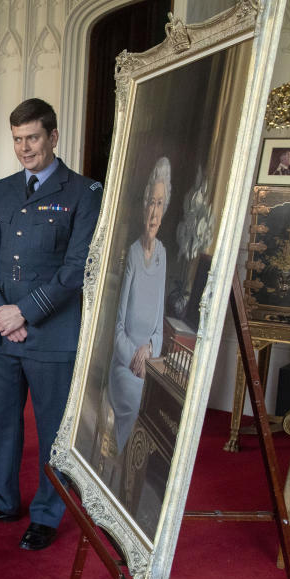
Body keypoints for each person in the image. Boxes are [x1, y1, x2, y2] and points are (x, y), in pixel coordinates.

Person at [0, 98, 102, 550]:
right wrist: (2, 309)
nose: (24, 148)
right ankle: (3, 500)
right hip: (1, 332)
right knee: (1, 422)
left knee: (52, 431)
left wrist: (26, 311)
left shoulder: (83, 191)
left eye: (33, 138)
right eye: (18, 139)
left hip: (51, 334)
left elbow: (77, 267)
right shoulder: (2, 188)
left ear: (53, 137)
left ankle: (47, 512)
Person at [107, 157, 171, 451]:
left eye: (160, 204)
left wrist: (150, 351)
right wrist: (135, 357)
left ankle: (136, 483)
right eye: (151, 203)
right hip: (125, 365)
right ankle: (120, 478)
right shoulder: (132, 254)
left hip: (149, 363)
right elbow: (117, 327)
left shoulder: (163, 255)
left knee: (163, 414)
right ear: (143, 206)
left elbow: (159, 326)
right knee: (135, 408)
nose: (154, 212)